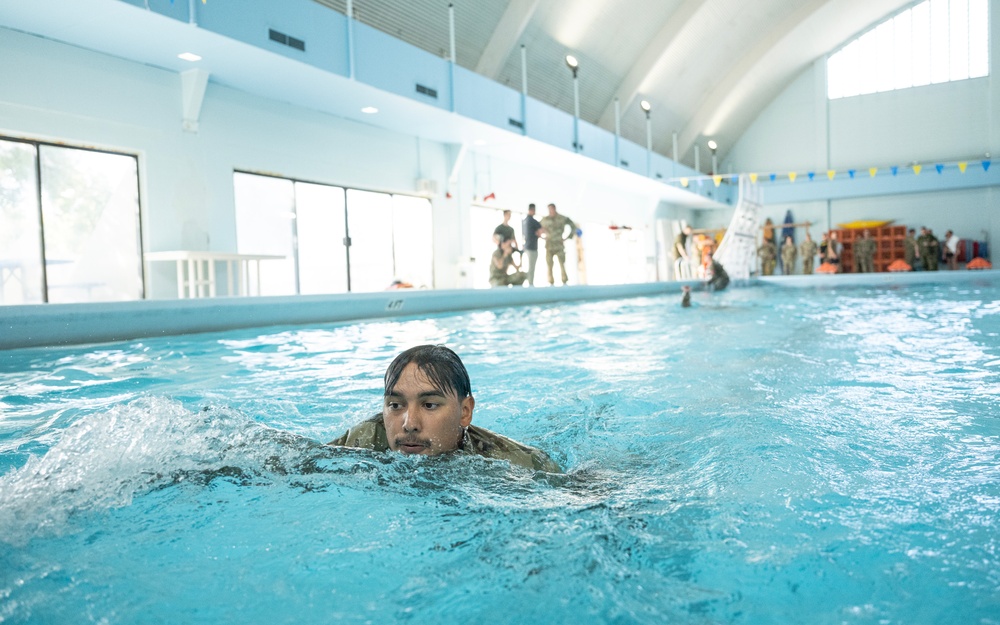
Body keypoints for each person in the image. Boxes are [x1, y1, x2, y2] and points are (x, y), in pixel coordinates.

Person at [329, 345, 561, 472]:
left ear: (465, 412)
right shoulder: (364, 441)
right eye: (396, 405)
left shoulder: (519, 463)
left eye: (429, 405)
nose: (409, 424)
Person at [539, 203, 576, 286]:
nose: (550, 211)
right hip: (549, 245)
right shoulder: (544, 219)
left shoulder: (562, 218)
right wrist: (541, 236)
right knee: (549, 265)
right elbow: (538, 228)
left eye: (551, 209)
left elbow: (573, 226)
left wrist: (568, 237)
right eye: (549, 209)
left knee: (562, 264)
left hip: (559, 244)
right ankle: (551, 282)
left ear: (555, 208)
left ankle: (564, 281)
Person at [521, 203, 542, 286]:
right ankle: (530, 284)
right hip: (532, 247)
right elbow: (541, 231)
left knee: (528, 267)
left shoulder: (524, 221)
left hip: (525, 247)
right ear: (533, 210)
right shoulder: (533, 221)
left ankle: (528, 282)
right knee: (531, 267)